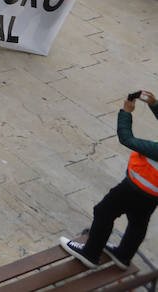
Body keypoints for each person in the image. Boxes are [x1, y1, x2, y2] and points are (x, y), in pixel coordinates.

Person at [62, 90, 158, 269]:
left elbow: (127, 139)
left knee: (104, 212)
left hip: (135, 187)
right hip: (154, 194)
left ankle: (90, 253)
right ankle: (123, 256)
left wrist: (126, 113)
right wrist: (154, 105)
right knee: (138, 222)